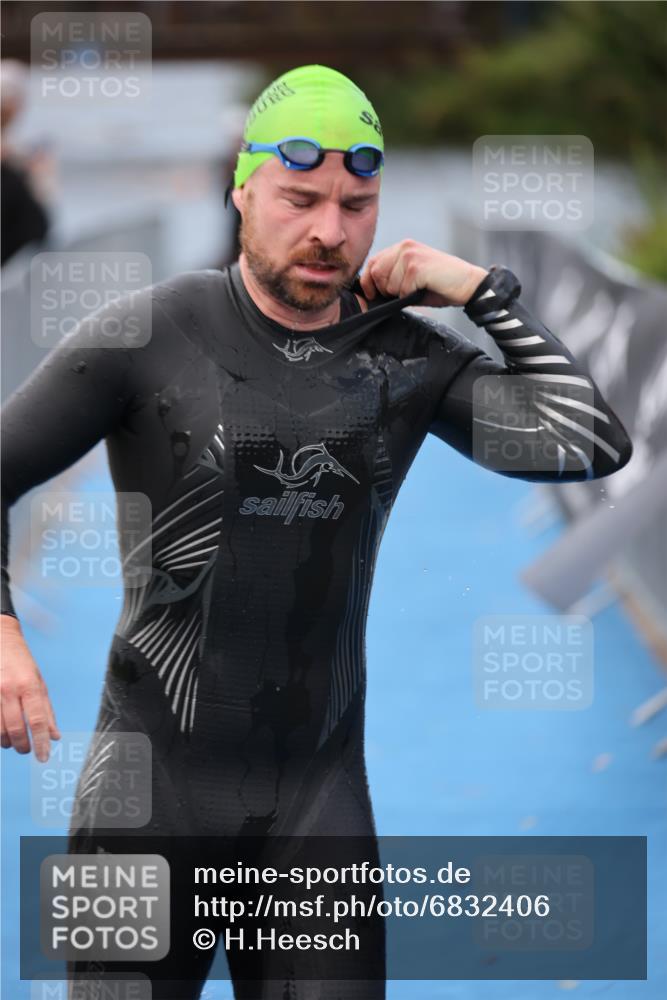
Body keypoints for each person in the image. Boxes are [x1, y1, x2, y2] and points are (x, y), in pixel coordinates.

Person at [0, 65, 632, 999]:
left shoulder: (406, 359)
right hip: (143, 804)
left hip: (314, 809)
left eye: (356, 203)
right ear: (242, 188)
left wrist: (478, 292)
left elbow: (587, 441)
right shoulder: (149, 333)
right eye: (300, 198)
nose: (329, 231)